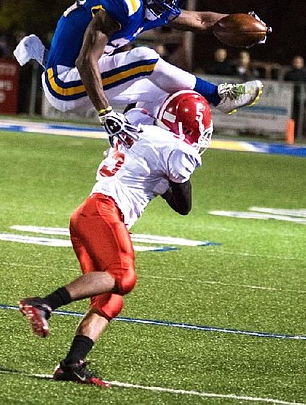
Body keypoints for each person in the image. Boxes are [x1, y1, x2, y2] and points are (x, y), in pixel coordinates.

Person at [19, 90, 212, 386]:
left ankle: (72, 364)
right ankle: (44, 304)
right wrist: (169, 181)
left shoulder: (141, 127)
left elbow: (150, 170)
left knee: (110, 300)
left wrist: (161, 182)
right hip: (105, 212)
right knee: (123, 276)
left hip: (89, 214)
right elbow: (184, 206)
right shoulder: (176, 149)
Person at [14, 0, 265, 147]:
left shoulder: (147, 2)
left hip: (88, 76)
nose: (171, 6)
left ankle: (127, 154)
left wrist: (243, 23)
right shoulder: (124, 1)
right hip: (64, 83)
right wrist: (106, 114)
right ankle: (218, 96)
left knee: (168, 95)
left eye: (175, 0)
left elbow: (201, 20)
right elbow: (85, 61)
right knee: (145, 57)